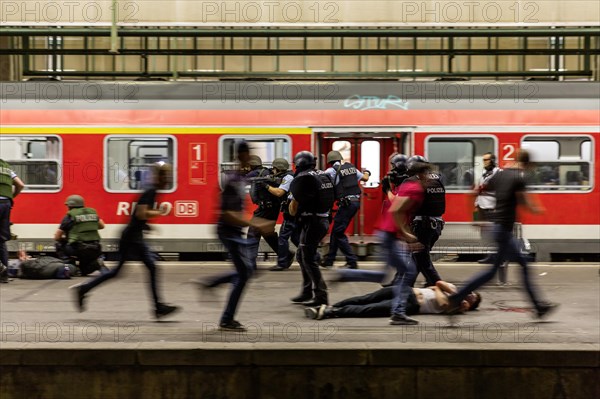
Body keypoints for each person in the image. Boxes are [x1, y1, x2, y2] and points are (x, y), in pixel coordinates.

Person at [448, 150, 559, 319]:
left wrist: (475, 218)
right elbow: (525, 203)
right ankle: (539, 306)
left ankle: (539, 306)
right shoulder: (519, 178)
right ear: (527, 164)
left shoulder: (499, 175)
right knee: (521, 266)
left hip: (497, 228)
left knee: (495, 271)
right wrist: (536, 209)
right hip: (503, 231)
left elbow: (472, 193)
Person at [70, 162, 180, 319]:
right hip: (132, 238)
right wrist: (159, 212)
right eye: (167, 176)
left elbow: (138, 216)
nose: (168, 179)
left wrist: (147, 226)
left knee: (120, 272)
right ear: (160, 176)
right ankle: (158, 307)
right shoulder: (150, 191)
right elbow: (141, 214)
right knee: (149, 268)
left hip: (133, 236)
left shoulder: (152, 191)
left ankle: (84, 289)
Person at [195, 141, 273, 331]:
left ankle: (212, 284)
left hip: (233, 231)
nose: (249, 157)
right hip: (228, 232)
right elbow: (227, 214)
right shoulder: (232, 180)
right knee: (246, 272)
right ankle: (226, 319)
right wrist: (255, 223)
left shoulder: (239, 177)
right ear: (240, 155)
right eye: (247, 153)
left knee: (248, 271)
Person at [289, 151, 335, 307]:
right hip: (322, 219)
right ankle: (307, 291)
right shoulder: (323, 175)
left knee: (308, 258)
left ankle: (321, 296)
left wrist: (290, 205)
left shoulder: (303, 178)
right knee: (301, 255)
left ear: (299, 163)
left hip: (312, 222)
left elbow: (293, 209)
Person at [305, 281, 481, 319]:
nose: (468, 295)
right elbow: (439, 283)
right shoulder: (455, 291)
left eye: (471, 299)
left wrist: (437, 290)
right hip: (407, 290)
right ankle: (330, 306)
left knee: (372, 309)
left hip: (412, 304)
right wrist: (448, 289)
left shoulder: (459, 306)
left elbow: (443, 303)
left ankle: (331, 312)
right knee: (367, 298)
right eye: (470, 293)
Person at [320, 150, 370, 269]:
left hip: (346, 204)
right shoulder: (351, 168)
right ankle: (329, 260)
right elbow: (365, 178)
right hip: (355, 203)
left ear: (330, 162)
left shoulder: (330, 171)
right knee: (336, 232)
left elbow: (322, 182)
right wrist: (367, 171)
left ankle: (352, 261)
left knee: (338, 233)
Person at [405, 155, 446, 287]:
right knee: (417, 258)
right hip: (436, 226)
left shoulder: (412, 181)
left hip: (422, 226)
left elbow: (404, 205)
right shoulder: (438, 179)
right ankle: (406, 286)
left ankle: (441, 287)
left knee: (422, 259)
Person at [54, 195, 106, 276]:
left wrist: (66, 237)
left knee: (59, 244)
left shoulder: (69, 216)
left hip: (79, 248)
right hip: (96, 248)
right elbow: (102, 226)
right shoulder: (91, 212)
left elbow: (57, 237)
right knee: (84, 271)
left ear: (70, 206)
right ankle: (96, 263)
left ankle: (69, 266)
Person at [246, 155, 280, 270]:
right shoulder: (266, 171)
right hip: (272, 209)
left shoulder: (255, 173)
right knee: (268, 233)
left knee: (253, 233)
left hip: (264, 209)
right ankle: (286, 254)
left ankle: (250, 263)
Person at [264, 158, 296, 271]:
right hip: (294, 212)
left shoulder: (288, 177)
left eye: (273, 168)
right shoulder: (288, 176)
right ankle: (316, 258)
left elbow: (279, 192)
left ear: (278, 168)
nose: (272, 170)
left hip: (291, 213)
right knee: (296, 238)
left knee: (283, 238)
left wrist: (266, 186)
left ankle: (282, 263)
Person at [0, 159, 25, 283]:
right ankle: (4, 276)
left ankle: (1, 267)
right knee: (1, 239)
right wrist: (11, 196)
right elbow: (20, 184)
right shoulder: (6, 167)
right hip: (6, 203)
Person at [474, 152, 501, 264]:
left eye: (486, 160)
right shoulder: (484, 173)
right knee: (484, 233)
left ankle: (496, 256)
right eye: (483, 160)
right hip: (482, 206)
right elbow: (480, 190)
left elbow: (501, 191)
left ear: (493, 161)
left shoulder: (498, 173)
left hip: (492, 207)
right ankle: (489, 255)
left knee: (493, 233)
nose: (484, 162)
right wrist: (476, 204)